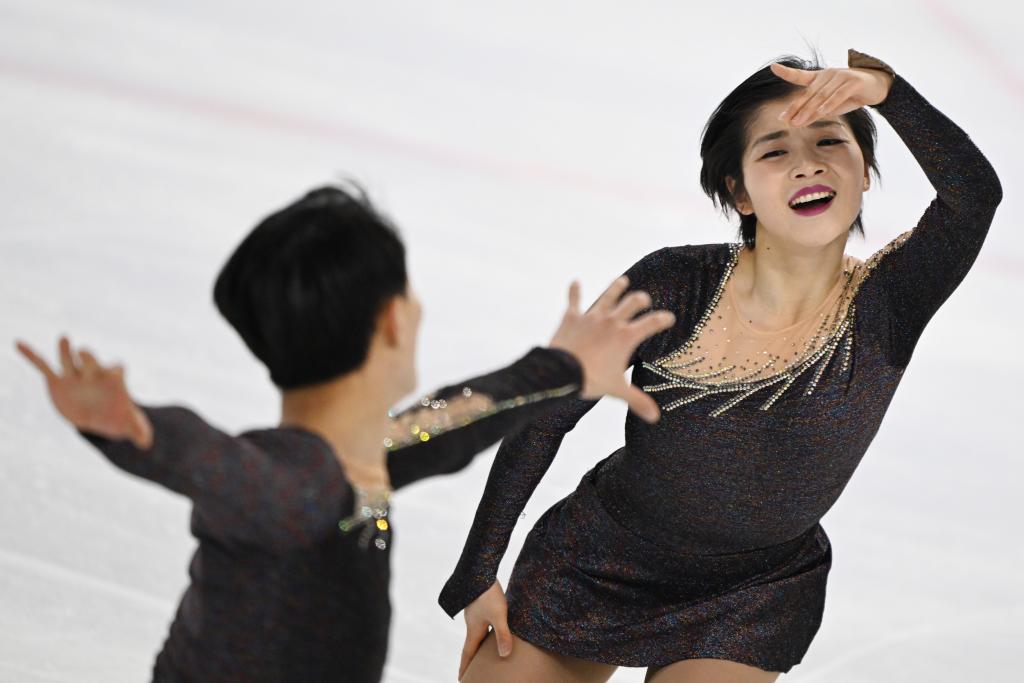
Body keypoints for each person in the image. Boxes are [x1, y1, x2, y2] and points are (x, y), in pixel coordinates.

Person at [440, 48, 1003, 683]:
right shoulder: (672, 285)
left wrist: (886, 91)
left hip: (753, 594)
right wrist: (477, 570)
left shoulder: (888, 304)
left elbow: (975, 195)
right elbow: (546, 416)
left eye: (830, 140)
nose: (808, 164)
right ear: (738, 191)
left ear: (866, 172)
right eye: (775, 151)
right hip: (599, 564)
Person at [15, 184, 676, 683]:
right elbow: (221, 464)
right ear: (392, 321)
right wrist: (142, 432)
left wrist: (562, 368)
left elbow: (449, 425)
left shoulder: (353, 458)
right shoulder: (297, 486)